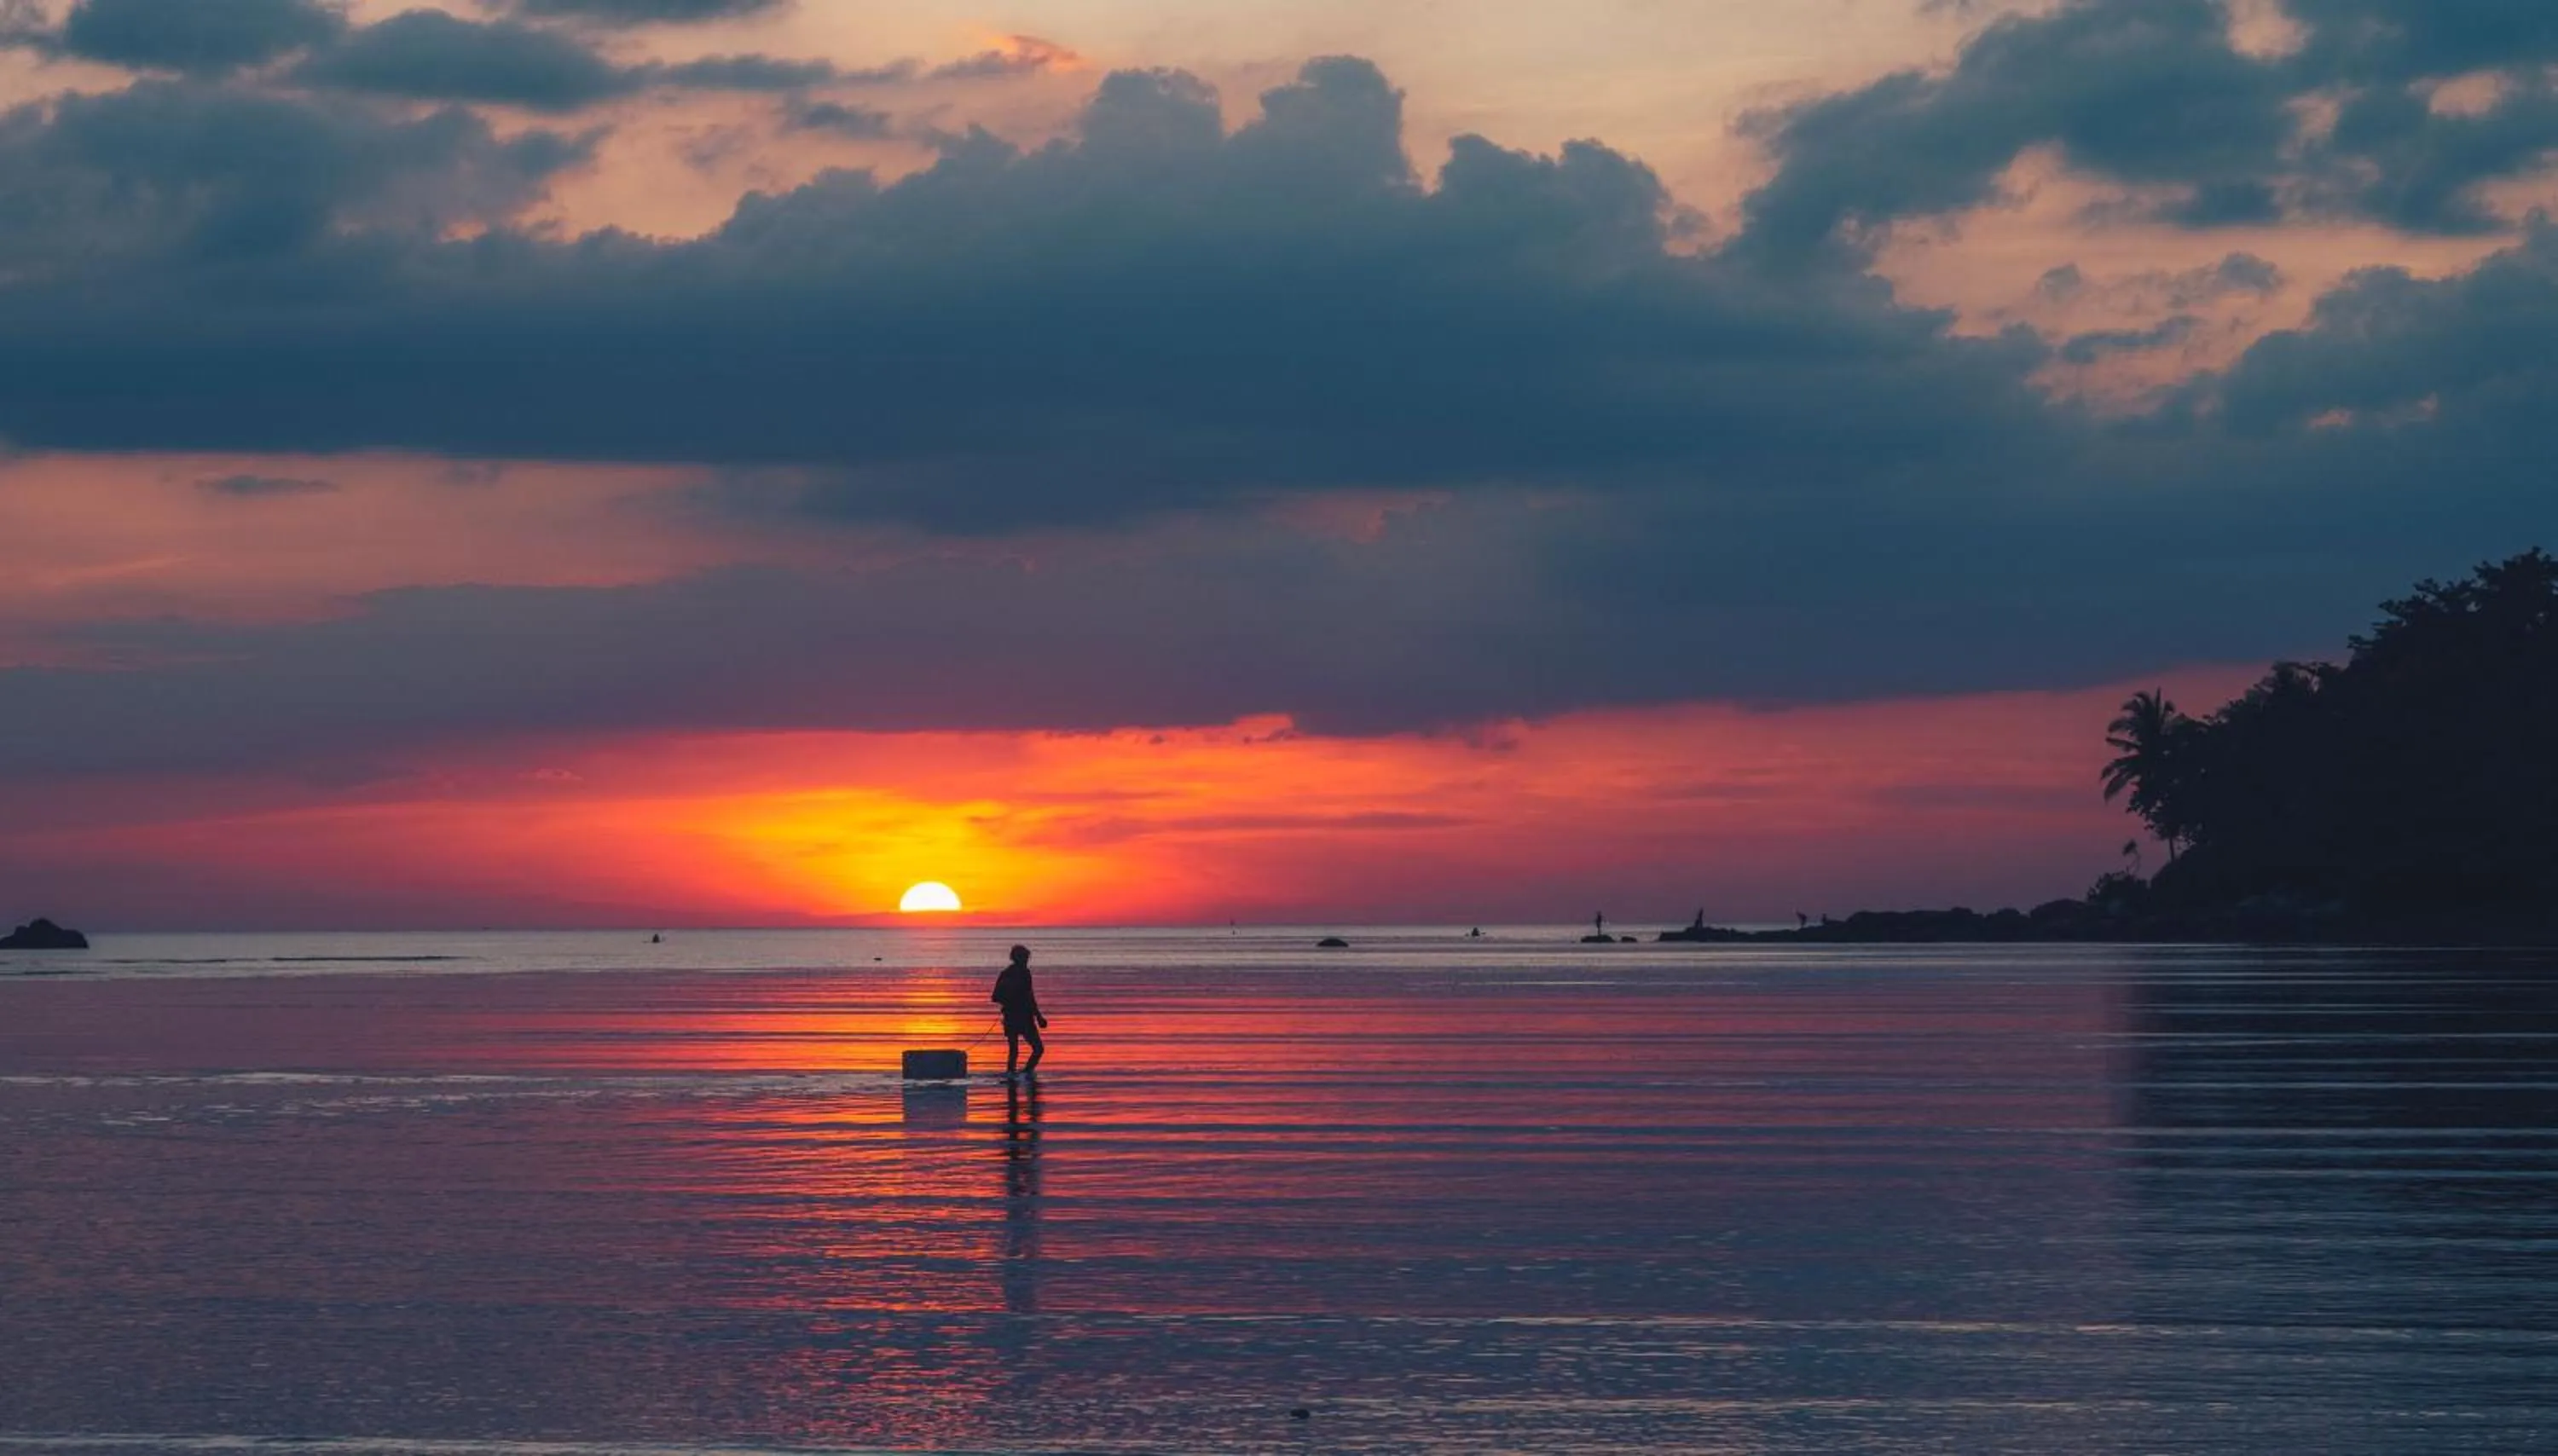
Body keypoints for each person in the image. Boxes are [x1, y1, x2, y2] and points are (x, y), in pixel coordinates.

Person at [990, 944, 1049, 1078]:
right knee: (1037, 1049)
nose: (1027, 960)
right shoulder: (1022, 974)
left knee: (1014, 1050)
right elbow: (1030, 997)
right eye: (1026, 958)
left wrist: (1038, 1016)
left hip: (1013, 1017)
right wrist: (1039, 1017)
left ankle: (1015, 1076)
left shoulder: (1006, 974)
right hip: (1022, 1018)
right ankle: (1025, 1074)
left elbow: (995, 997)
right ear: (1019, 958)